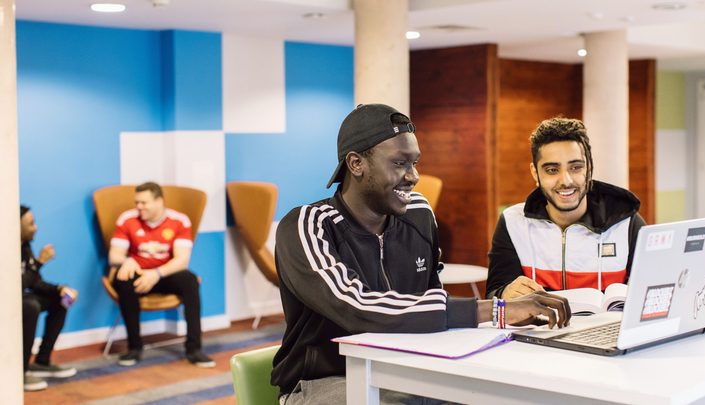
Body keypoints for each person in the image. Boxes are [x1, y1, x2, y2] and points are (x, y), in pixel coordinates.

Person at [271, 104, 571, 404]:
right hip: (322, 382)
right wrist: (497, 310)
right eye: (400, 163)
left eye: (415, 162)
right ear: (356, 163)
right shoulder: (308, 225)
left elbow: (429, 301)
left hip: (407, 371)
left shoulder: (418, 213)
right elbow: (356, 307)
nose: (413, 176)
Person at [486, 117, 646, 300]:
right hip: (540, 329)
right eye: (552, 170)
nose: (566, 181)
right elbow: (493, 297)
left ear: (589, 168)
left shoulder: (627, 223)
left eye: (576, 167)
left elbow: (651, 297)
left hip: (608, 329)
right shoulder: (512, 223)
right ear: (535, 173)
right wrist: (504, 293)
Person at [108, 182, 215, 368]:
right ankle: (134, 347)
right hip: (137, 274)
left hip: (164, 274)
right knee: (123, 279)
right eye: (137, 202)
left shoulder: (179, 220)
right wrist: (127, 260)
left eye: (144, 202)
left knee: (190, 280)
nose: (139, 207)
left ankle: (194, 349)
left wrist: (156, 274)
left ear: (159, 201)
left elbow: (182, 260)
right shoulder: (127, 219)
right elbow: (114, 255)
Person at [21, 205, 78, 392]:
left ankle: (42, 361)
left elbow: (35, 282)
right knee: (31, 306)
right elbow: (16, 285)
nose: (35, 227)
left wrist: (60, 289)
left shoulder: (25, 246)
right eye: (31, 223)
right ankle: (20, 371)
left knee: (60, 301)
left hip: (20, 297)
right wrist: (40, 262)